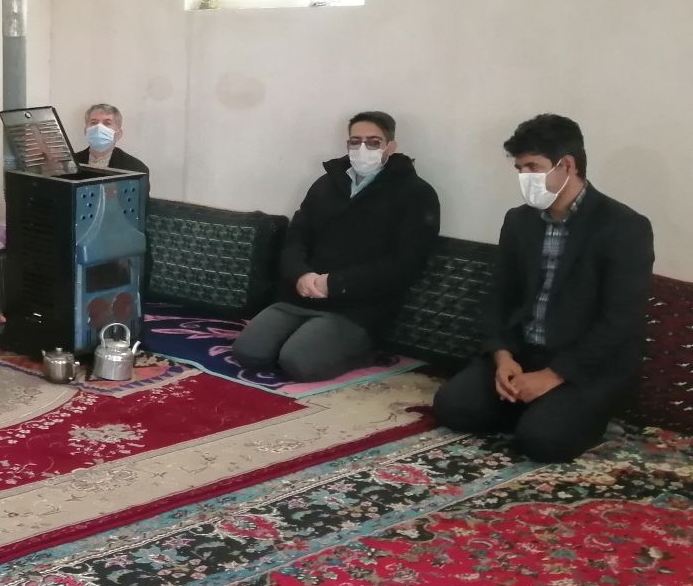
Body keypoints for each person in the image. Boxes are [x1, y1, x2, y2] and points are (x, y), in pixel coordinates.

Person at [433, 114, 654, 461]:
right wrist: (502, 356)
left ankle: (560, 413)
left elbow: (620, 320)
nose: (524, 178)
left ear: (567, 165)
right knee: (452, 407)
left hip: (585, 364)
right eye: (519, 169)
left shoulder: (624, 227)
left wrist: (553, 376)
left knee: (542, 442)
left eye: (533, 167)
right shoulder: (519, 220)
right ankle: (534, 406)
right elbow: (499, 295)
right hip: (524, 353)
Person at [232, 111, 440, 382]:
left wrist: (336, 283)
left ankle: (365, 352)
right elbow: (296, 238)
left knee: (298, 362)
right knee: (249, 353)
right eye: (355, 141)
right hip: (301, 295)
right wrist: (300, 275)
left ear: (391, 146)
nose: (363, 148)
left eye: (373, 142)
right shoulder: (327, 183)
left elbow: (407, 263)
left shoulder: (416, 193)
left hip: (359, 307)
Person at [77, 103, 150, 183]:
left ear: (119, 134)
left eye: (107, 123)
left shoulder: (136, 169)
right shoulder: (70, 163)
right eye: (93, 123)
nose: (99, 128)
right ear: (85, 131)